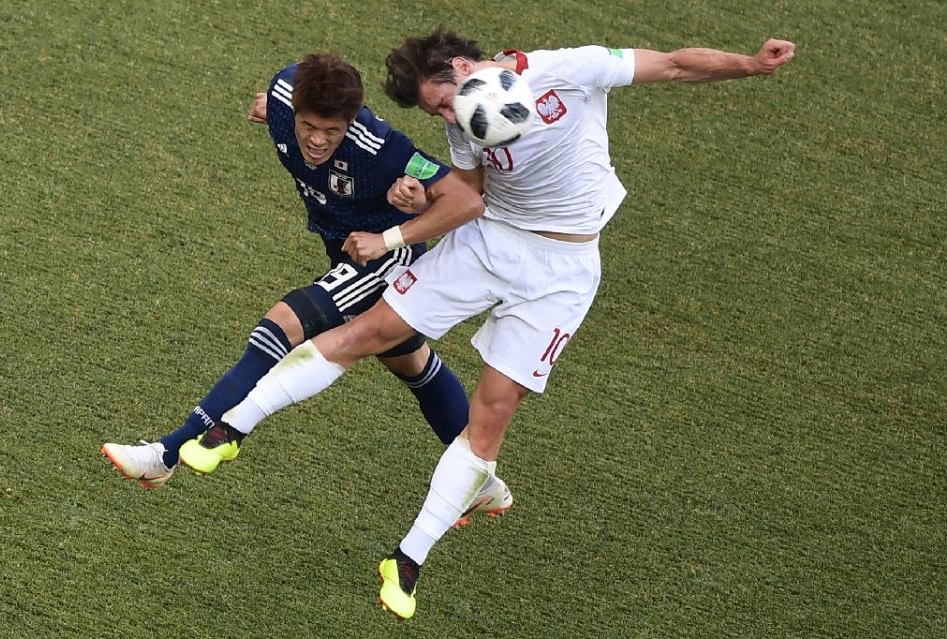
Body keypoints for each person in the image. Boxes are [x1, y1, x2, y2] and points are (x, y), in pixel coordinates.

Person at [208, 29, 796, 619]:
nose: (446, 116)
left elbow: (671, 66)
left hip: (563, 272)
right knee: (371, 330)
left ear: (463, 66)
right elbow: (468, 194)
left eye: (442, 100)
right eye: (436, 111)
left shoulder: (568, 69)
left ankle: (407, 561)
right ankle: (231, 430)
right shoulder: (460, 123)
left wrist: (750, 64)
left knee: (492, 413)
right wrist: (416, 206)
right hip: (489, 244)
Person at [100, 52, 513, 521]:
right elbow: (279, 100)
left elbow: (465, 201)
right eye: (308, 127)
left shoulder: (381, 146)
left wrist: (392, 234)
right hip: (340, 248)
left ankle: (166, 454)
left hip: (383, 258)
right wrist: (274, 116)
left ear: (351, 121)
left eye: (332, 132)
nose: (318, 142)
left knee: (280, 327)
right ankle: (481, 481)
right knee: (410, 361)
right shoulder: (281, 96)